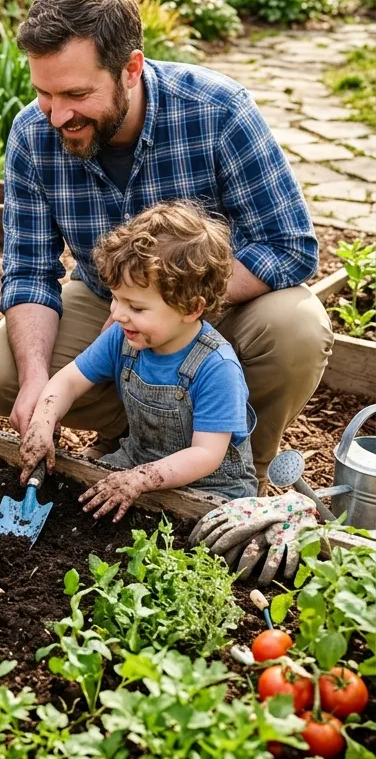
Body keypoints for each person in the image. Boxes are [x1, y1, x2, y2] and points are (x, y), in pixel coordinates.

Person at [0, 0, 333, 487]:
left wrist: (165, 303)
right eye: (44, 93)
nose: (56, 115)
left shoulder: (217, 111)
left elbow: (290, 247)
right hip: (104, 302)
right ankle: (145, 434)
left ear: (131, 68)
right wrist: (36, 386)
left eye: (75, 93)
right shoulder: (33, 133)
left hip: (208, 305)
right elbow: (29, 272)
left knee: (297, 328)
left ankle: (242, 470)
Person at [20, 202, 258, 522]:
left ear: (191, 308)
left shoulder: (217, 368)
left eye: (136, 306)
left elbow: (206, 455)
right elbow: (70, 380)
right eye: (116, 298)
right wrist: (44, 419)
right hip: (137, 461)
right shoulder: (124, 337)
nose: (117, 314)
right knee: (79, 504)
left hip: (212, 487)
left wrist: (141, 479)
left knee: (207, 536)